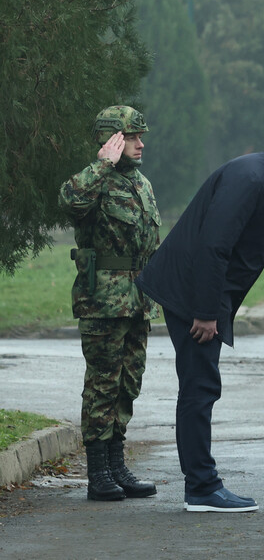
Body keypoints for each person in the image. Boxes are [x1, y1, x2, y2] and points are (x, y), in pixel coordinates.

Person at [135, 132, 264, 513]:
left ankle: (202, 484)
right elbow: (214, 246)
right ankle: (201, 488)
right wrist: (207, 311)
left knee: (200, 385)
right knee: (200, 387)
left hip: (202, 294)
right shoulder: (252, 178)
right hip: (192, 294)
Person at [58, 105, 162, 502]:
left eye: (139, 136)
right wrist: (101, 164)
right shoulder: (94, 181)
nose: (140, 143)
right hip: (103, 300)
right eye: (131, 137)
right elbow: (69, 202)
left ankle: (117, 464)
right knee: (102, 385)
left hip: (137, 299)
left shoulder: (141, 184)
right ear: (112, 140)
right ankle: (97, 472)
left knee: (128, 383)